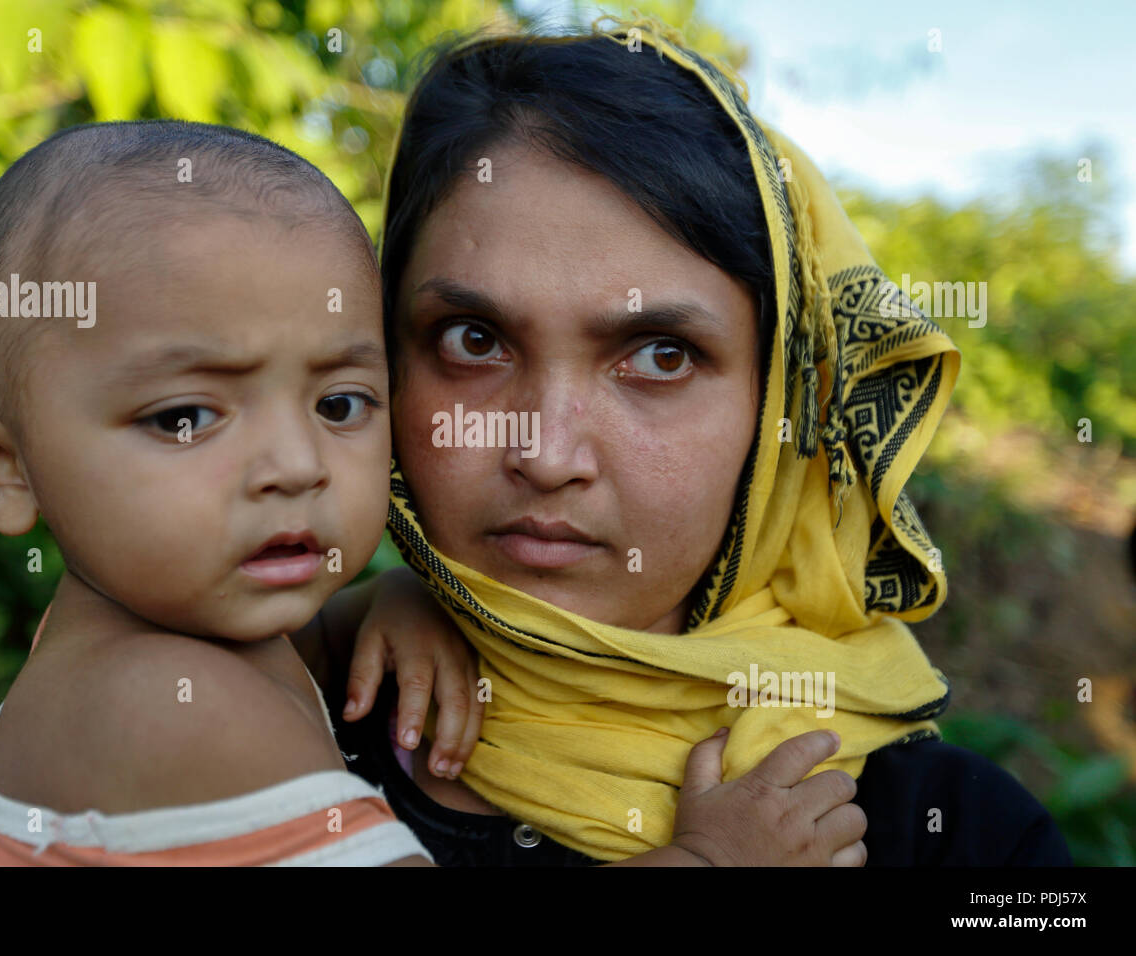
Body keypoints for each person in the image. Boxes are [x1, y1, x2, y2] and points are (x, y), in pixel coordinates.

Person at [0, 117, 824, 868]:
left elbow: (279, 662)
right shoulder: (171, 713)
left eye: (340, 403)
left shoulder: (133, 640)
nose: (296, 466)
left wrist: (383, 599)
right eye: (185, 418)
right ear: (1, 464)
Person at [325, 17, 1073, 866]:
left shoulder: (967, 838)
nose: (547, 454)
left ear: (780, 406)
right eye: (473, 339)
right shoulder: (270, 734)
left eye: (660, 356)